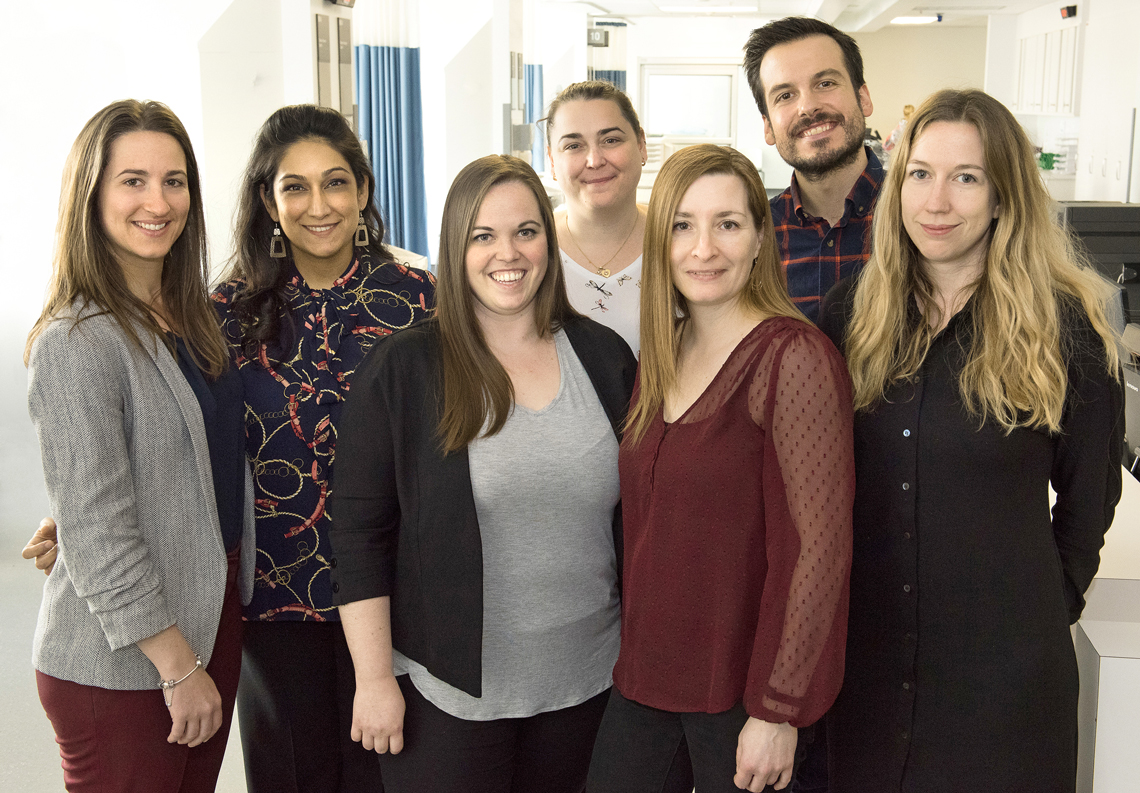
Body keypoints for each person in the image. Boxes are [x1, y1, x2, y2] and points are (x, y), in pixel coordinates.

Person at [25, 104, 437, 793]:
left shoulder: (420, 297)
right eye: (294, 187)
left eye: (336, 183)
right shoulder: (225, 309)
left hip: (396, 592)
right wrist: (76, 519)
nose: (318, 205)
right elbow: (155, 434)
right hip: (271, 601)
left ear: (364, 190)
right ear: (267, 202)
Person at [817, 89, 1124, 793]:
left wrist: (1038, 612)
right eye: (921, 173)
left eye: (967, 177)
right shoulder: (848, 314)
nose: (938, 200)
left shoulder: (1065, 329)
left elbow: (1087, 508)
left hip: (1006, 686)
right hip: (868, 673)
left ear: (1002, 195)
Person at [328, 154, 636, 792]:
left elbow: (638, 519)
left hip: (591, 686)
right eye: (483, 236)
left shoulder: (604, 357)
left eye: (526, 231)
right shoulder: (405, 368)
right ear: (455, 246)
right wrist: (374, 678)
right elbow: (359, 535)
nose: (509, 253)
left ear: (548, 243)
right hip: (450, 698)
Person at [585, 143, 854, 793]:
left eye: (727, 223)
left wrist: (777, 709)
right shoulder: (663, 351)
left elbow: (820, 549)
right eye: (683, 224)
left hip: (742, 693)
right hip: (646, 679)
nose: (704, 247)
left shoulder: (794, 358)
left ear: (760, 238)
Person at [24, 99, 246, 791]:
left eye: (174, 180)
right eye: (134, 180)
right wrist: (176, 665)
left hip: (212, 618)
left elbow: (188, 454)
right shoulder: (77, 339)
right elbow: (99, 525)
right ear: (91, 195)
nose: (159, 200)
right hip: (130, 659)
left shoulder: (194, 317)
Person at [743, 16, 884, 326]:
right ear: (768, 126)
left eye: (825, 83)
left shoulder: (920, 217)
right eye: (785, 96)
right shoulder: (753, 238)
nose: (807, 107)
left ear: (863, 98)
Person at [543, 80, 647, 354]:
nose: (594, 160)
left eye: (610, 140)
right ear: (552, 162)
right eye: (573, 146)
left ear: (641, 145)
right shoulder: (533, 251)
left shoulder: (679, 238)